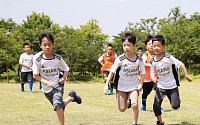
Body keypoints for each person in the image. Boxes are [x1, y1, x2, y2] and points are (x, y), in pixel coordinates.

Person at [32, 31, 82, 125]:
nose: (47, 47)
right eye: (45, 45)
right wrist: (47, 83)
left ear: (53, 45)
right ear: (40, 46)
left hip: (57, 84)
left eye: (49, 45)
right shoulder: (37, 59)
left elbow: (66, 69)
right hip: (46, 87)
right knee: (59, 106)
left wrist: (63, 78)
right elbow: (35, 76)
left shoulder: (57, 58)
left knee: (58, 105)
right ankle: (71, 97)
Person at [150, 35, 193, 125]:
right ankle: (160, 122)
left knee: (175, 106)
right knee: (156, 105)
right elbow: (152, 72)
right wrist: (153, 78)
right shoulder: (153, 61)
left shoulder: (169, 57)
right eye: (154, 46)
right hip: (160, 86)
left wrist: (186, 76)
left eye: (158, 46)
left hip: (172, 86)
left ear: (163, 46)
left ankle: (176, 99)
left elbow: (181, 64)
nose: (156, 48)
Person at [104, 32, 145, 125]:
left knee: (135, 105)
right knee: (122, 109)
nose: (126, 47)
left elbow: (143, 72)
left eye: (128, 45)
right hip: (121, 87)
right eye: (124, 45)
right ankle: (129, 102)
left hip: (134, 86)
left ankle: (135, 123)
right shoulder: (119, 59)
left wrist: (140, 84)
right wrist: (106, 85)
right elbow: (112, 72)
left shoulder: (139, 59)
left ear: (134, 45)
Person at [139, 35, 165, 112]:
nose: (151, 46)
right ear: (146, 46)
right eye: (149, 44)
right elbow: (142, 64)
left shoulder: (159, 54)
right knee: (145, 93)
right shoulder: (145, 55)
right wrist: (152, 65)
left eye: (152, 44)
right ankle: (143, 104)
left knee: (159, 91)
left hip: (156, 77)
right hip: (146, 78)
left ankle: (159, 106)